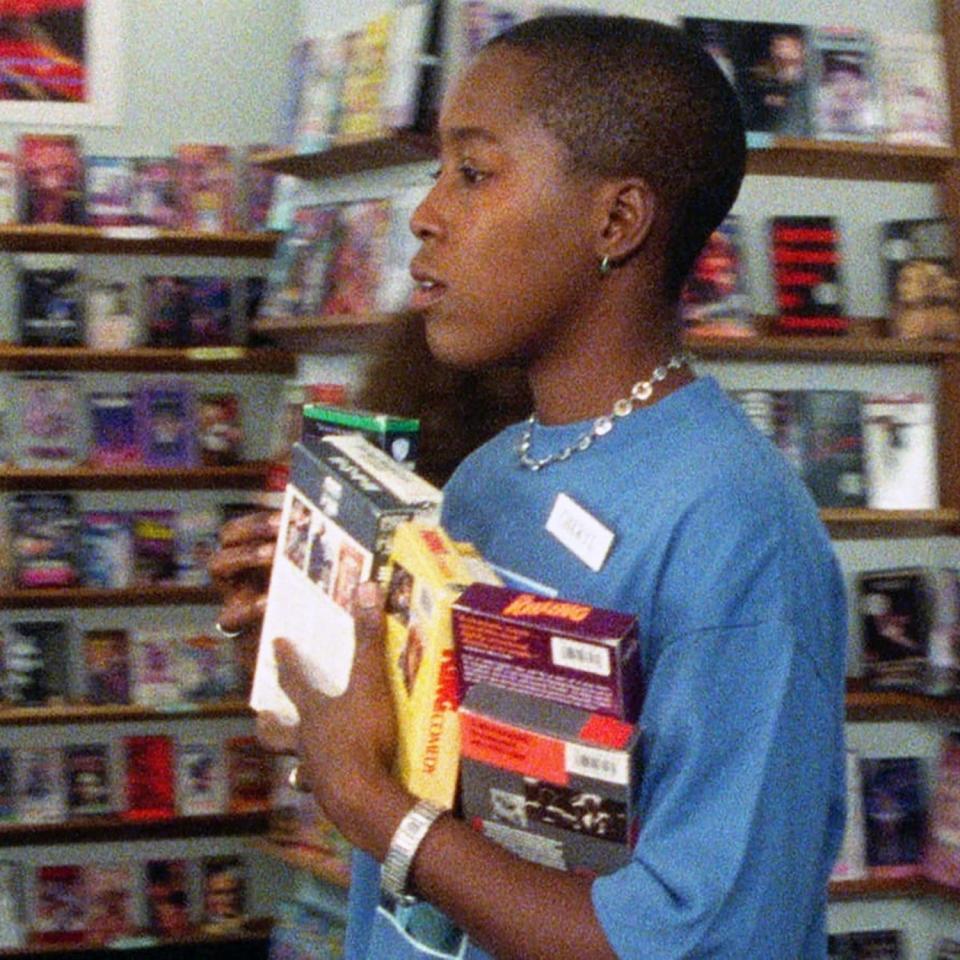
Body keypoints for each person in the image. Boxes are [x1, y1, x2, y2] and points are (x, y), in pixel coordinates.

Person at [211, 14, 847, 959]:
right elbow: (428, 776)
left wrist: (374, 808)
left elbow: (697, 939)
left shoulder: (740, 533)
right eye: (438, 173)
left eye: (473, 172)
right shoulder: (483, 479)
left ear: (616, 222)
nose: (426, 214)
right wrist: (301, 657)